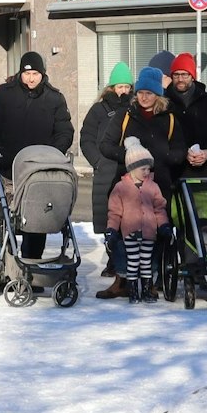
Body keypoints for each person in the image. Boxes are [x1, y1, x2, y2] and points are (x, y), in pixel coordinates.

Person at [94, 65, 188, 298]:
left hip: (157, 185)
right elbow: (105, 145)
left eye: (150, 93)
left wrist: (161, 159)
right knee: (119, 233)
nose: (144, 97)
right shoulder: (125, 115)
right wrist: (127, 157)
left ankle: (151, 281)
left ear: (158, 95)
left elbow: (180, 151)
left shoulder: (170, 119)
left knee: (153, 235)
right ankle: (121, 280)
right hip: (126, 186)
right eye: (141, 92)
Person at [0, 52, 74, 265]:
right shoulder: (4, 94)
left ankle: (32, 263)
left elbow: (64, 131)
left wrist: (54, 153)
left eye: (35, 73)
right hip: (8, 168)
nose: (31, 78)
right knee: (4, 219)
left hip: (40, 169)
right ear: (20, 73)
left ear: (42, 74)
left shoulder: (54, 98)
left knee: (37, 217)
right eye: (27, 73)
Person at [80, 63, 136, 271]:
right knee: (109, 219)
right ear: (111, 87)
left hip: (131, 170)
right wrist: (98, 161)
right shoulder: (99, 110)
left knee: (129, 218)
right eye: (119, 86)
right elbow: (86, 138)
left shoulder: (136, 108)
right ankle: (113, 260)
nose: (123, 91)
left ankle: (128, 261)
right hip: (106, 170)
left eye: (126, 86)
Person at [107, 137, 170, 301]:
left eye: (149, 168)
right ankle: (133, 291)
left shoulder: (153, 186)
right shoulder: (121, 188)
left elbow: (159, 209)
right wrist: (111, 230)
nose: (147, 172)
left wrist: (163, 225)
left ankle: (147, 290)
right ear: (132, 168)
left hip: (149, 232)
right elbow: (115, 212)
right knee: (133, 262)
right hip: (131, 232)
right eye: (143, 169)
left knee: (146, 263)